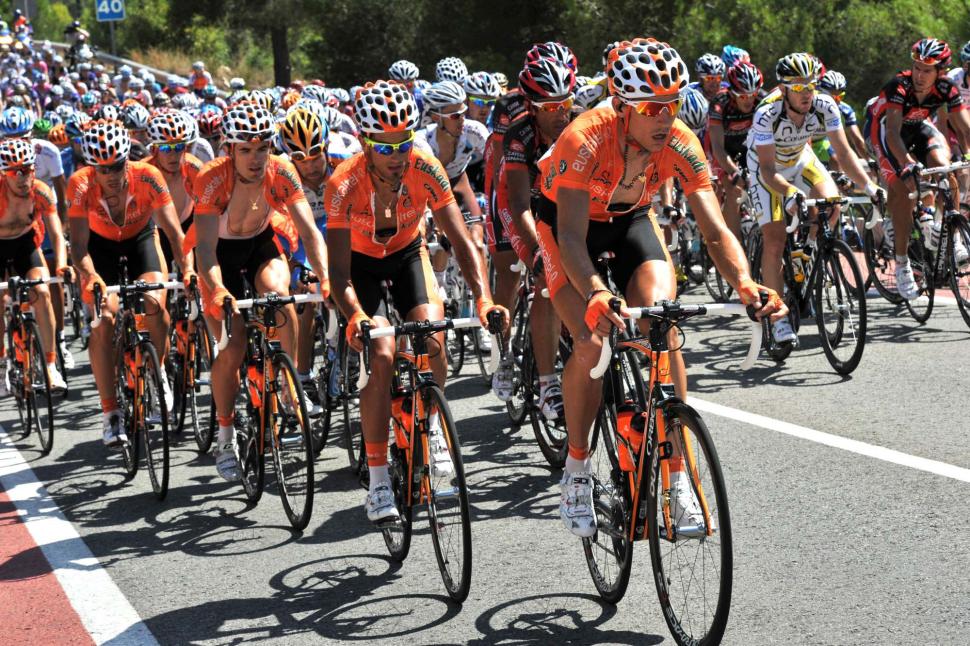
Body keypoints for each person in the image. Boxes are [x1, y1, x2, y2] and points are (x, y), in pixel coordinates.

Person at [535, 39, 784, 537]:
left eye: (672, 104)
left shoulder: (680, 139)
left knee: (663, 325)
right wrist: (596, 293)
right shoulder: (584, 138)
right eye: (652, 108)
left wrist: (745, 284)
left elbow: (715, 230)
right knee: (590, 340)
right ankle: (577, 469)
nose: (665, 117)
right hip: (568, 229)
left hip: (630, 222)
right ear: (622, 106)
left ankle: (678, 479)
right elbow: (569, 237)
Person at [325, 80, 507, 523]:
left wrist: (483, 300)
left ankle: (431, 422)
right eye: (385, 147)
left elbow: (463, 244)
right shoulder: (343, 182)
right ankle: (379, 477)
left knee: (433, 338)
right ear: (366, 144)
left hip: (408, 253)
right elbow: (339, 274)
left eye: (403, 142)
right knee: (382, 353)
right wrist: (355, 318)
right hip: (361, 267)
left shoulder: (425, 167)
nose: (397, 154)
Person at [192, 102, 329, 481]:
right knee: (233, 348)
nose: (256, 158)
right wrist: (217, 289)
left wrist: (326, 276)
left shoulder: (282, 170)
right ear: (228, 150)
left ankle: (287, 385)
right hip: (219, 255)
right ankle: (224, 433)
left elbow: (309, 232)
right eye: (245, 150)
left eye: (263, 148)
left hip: (261, 244)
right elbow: (204, 249)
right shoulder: (211, 178)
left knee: (280, 296)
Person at [747, 53, 882, 344]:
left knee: (832, 203)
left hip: (799, 159)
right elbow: (769, 172)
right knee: (774, 241)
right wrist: (791, 192)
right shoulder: (766, 113)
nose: (806, 93)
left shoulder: (824, 104)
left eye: (811, 85)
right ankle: (779, 317)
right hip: (767, 169)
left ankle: (806, 253)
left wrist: (870, 188)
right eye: (797, 87)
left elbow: (844, 154)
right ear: (783, 89)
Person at [68, 120, 189, 446]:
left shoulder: (149, 176)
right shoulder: (79, 185)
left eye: (117, 166)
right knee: (103, 320)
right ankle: (110, 413)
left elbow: (175, 235)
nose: (111, 175)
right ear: (92, 166)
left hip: (141, 242)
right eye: (102, 169)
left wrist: (188, 270)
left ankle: (157, 370)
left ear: (127, 159)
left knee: (155, 302)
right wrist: (89, 275)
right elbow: (78, 246)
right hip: (99, 250)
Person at [867, 39, 970, 299]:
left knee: (946, 169)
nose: (920, 75)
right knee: (903, 187)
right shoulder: (898, 86)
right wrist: (907, 163)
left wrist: (967, 154)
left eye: (927, 70)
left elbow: (963, 126)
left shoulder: (947, 88)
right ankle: (902, 264)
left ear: (940, 72)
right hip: (886, 133)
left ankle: (953, 237)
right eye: (917, 68)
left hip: (918, 130)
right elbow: (891, 132)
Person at [0, 138, 69, 396]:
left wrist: (62, 267)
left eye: (27, 169)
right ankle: (1, 363)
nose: (22, 177)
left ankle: (51, 365)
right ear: (4, 174)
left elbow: (56, 233)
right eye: (14, 172)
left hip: (26, 245)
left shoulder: (40, 191)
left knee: (42, 292)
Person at [708, 61, 764, 239]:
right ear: (732, 92)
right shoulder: (720, 103)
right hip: (725, 152)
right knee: (734, 190)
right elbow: (716, 146)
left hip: (750, 149)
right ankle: (735, 244)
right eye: (742, 95)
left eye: (752, 94)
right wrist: (734, 172)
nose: (748, 100)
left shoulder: (763, 100)